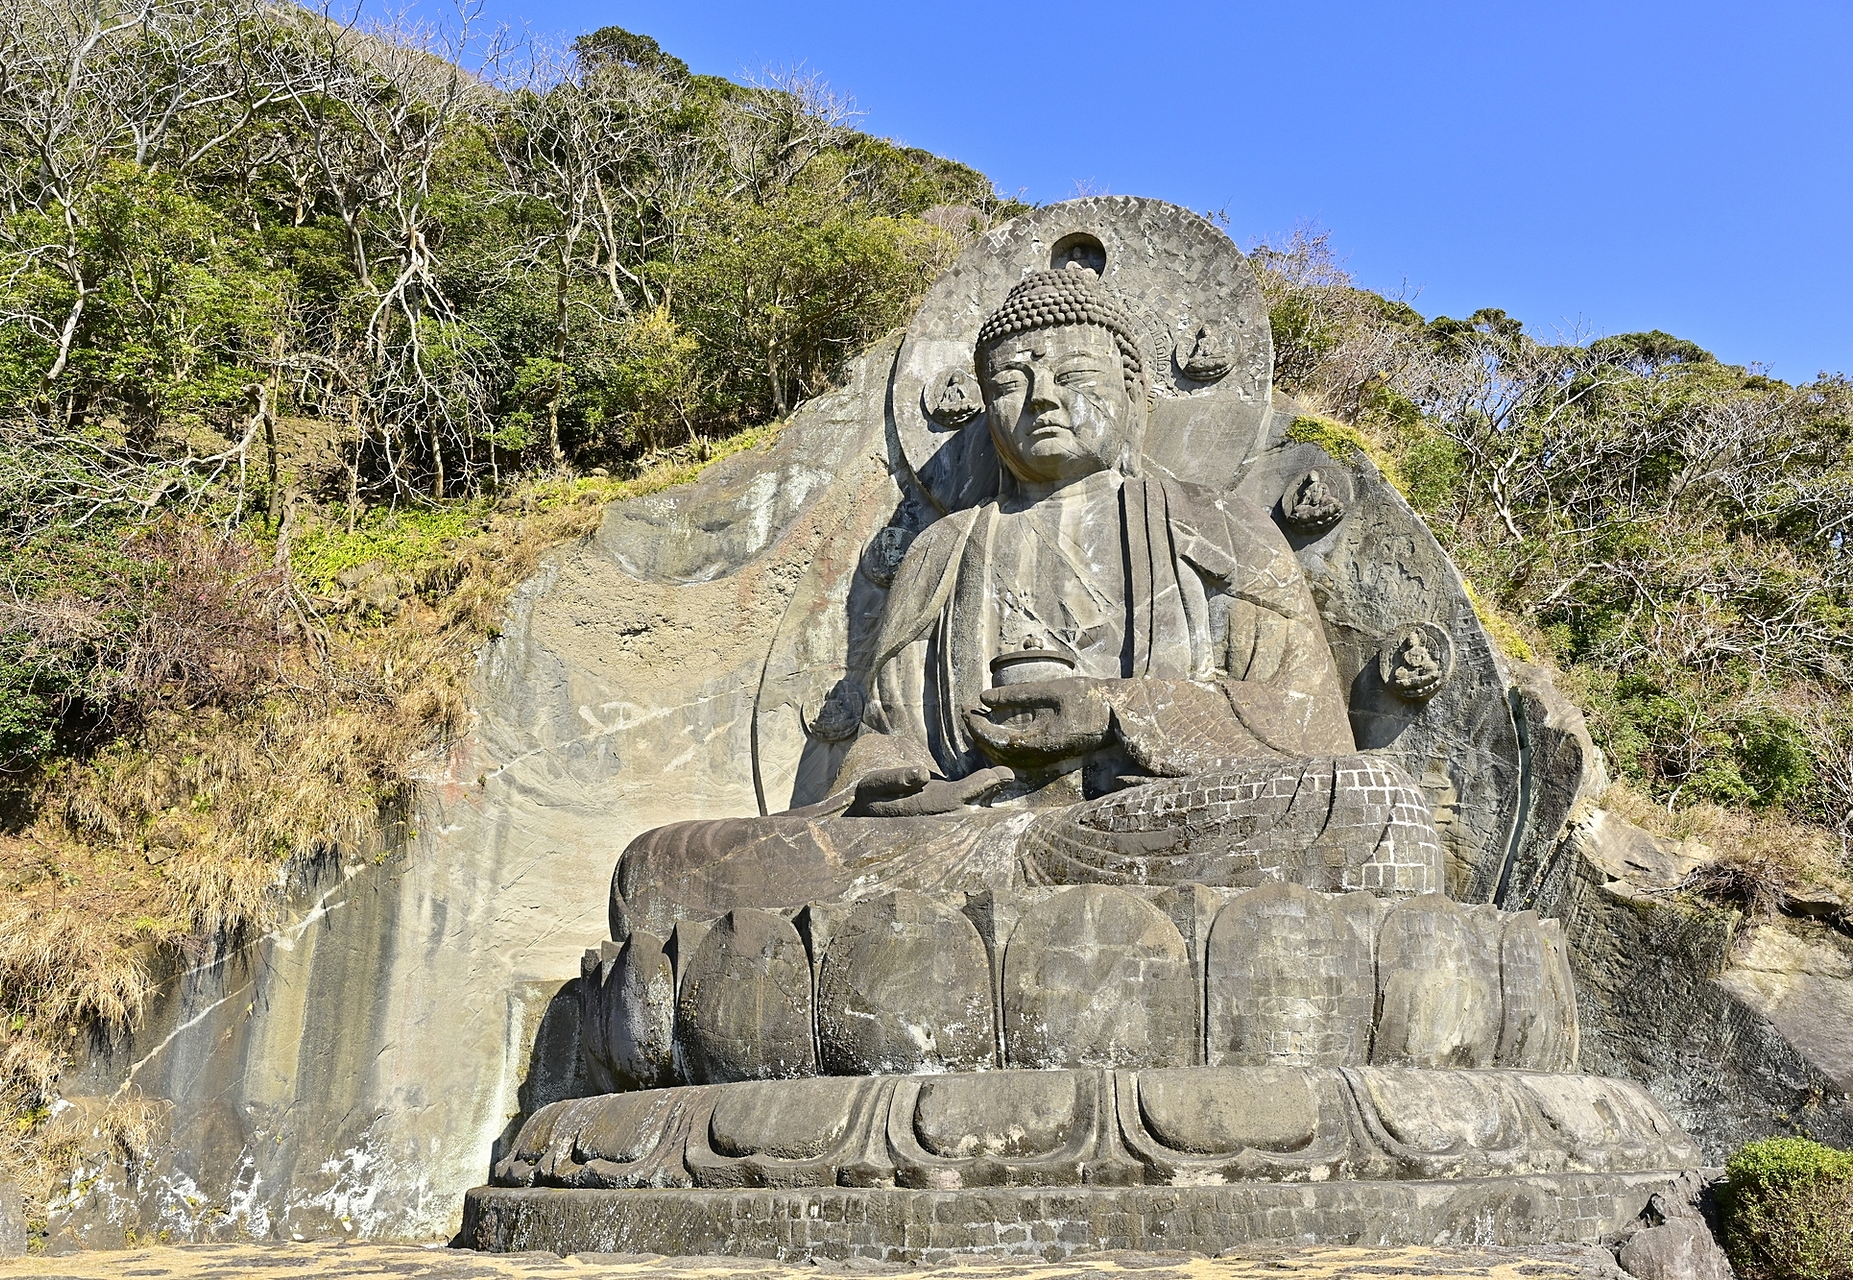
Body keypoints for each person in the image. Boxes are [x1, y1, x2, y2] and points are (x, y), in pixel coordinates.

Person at [609, 266, 1441, 941]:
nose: (1040, 398)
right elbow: (883, 740)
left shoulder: (1219, 523)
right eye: (1009, 382)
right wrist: (893, 779)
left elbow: (1308, 733)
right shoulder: (945, 546)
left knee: (1375, 808)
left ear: (1134, 394)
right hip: (958, 843)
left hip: (1146, 827)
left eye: (1073, 375)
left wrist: (1118, 712)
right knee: (665, 867)